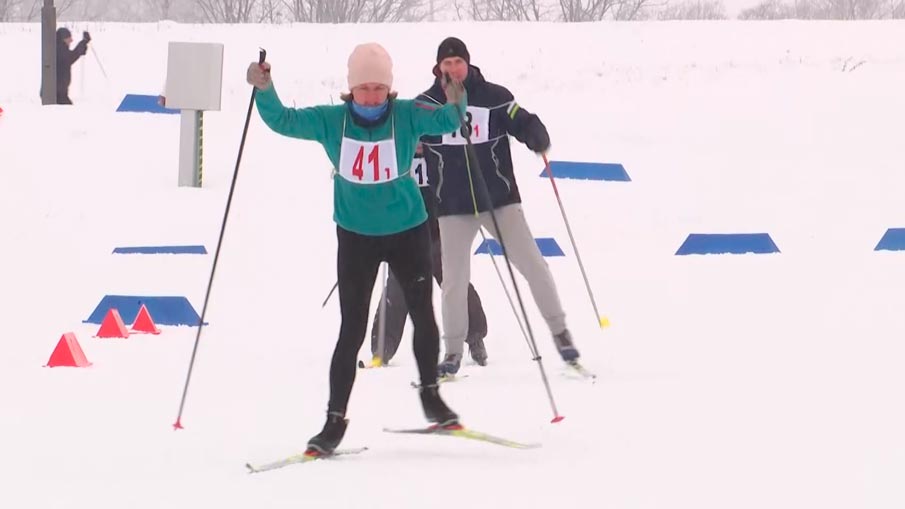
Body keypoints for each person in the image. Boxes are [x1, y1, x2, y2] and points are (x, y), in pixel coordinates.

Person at [246, 42, 466, 455]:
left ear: (389, 89)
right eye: (363, 88)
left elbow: (448, 119)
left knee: (423, 313)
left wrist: (456, 94)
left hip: (408, 231)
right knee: (351, 330)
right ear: (351, 89)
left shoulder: (405, 115)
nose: (371, 96)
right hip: (356, 237)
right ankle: (333, 421)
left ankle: (432, 397)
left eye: (379, 88)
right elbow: (282, 120)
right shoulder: (332, 121)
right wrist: (264, 87)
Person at [417, 37, 581, 376]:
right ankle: (451, 352)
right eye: (445, 65)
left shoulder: (494, 96)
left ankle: (560, 332)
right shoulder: (426, 105)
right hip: (452, 206)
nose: (452, 70)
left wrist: (536, 133)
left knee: (534, 265)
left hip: (499, 201)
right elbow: (405, 138)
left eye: (457, 63)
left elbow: (520, 119)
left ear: (467, 63)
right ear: (438, 68)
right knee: (453, 281)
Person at [367, 142, 489, 368]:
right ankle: (382, 347)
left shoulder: (441, 155)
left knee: (455, 283)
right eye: (415, 138)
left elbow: (461, 180)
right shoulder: (397, 156)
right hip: (406, 233)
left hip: (440, 232)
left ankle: (475, 338)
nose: (419, 143)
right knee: (397, 286)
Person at [54, 27, 90, 104]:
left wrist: (83, 43)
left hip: (61, 93)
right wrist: (82, 44)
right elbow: (70, 57)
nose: (71, 40)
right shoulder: (58, 50)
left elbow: (71, 56)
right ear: (63, 39)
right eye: (68, 38)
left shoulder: (60, 49)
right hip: (56, 95)